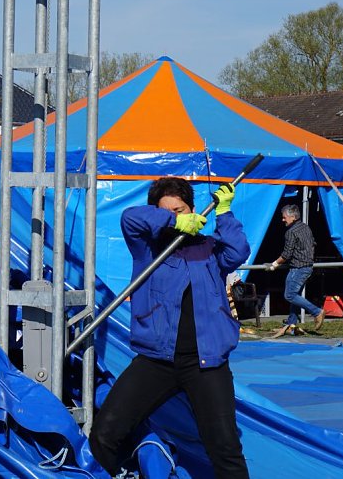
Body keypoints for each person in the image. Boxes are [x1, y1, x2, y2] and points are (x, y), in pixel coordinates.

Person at [89, 177, 250, 478]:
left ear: (193, 208)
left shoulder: (211, 249)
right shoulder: (147, 249)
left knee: (225, 448)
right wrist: (173, 222)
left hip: (207, 363)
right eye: (169, 212)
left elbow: (239, 252)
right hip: (157, 360)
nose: (179, 215)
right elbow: (130, 218)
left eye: (182, 209)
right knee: (106, 432)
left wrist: (225, 213)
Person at [266, 204, 324, 330]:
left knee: (290, 295)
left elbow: (286, 254)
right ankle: (291, 322)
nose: (283, 220)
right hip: (308, 267)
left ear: (292, 217)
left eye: (284, 217)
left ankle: (317, 312)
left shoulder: (290, 232)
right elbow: (313, 244)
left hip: (298, 268)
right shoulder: (306, 227)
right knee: (295, 295)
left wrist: (274, 264)